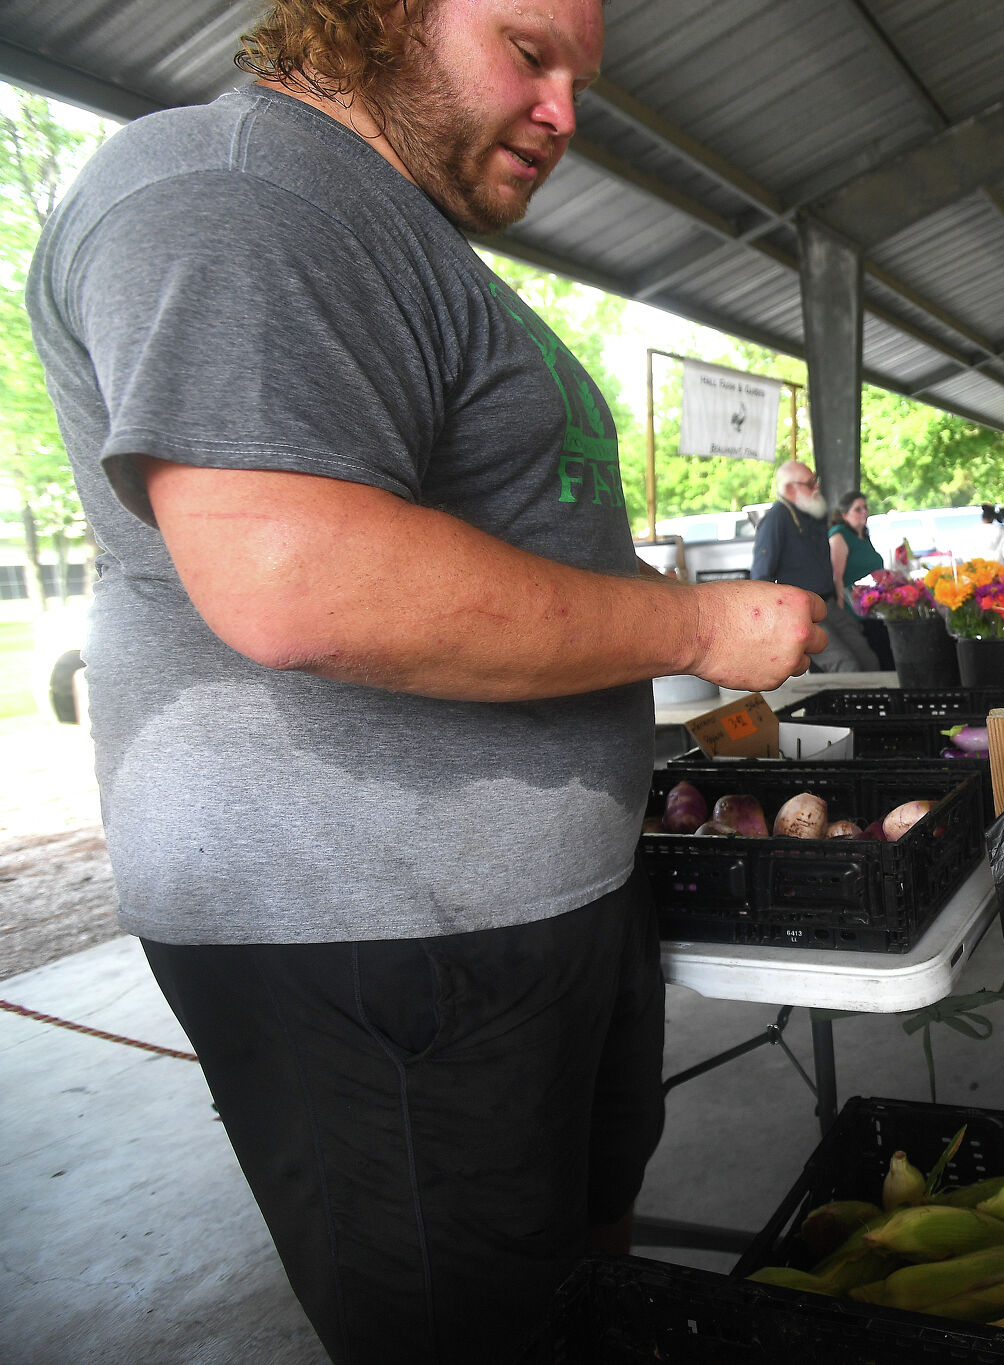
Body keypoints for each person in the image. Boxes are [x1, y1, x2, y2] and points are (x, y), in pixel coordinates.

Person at [22, 2, 827, 1361]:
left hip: (524, 911)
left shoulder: (391, 231)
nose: (567, 112)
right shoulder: (232, 192)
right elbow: (296, 576)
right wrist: (691, 625)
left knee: (572, 1283)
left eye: (580, 75)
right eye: (529, 52)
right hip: (377, 933)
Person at [753, 460, 879, 672]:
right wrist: (784, 618)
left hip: (826, 603)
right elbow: (761, 577)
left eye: (815, 481)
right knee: (846, 666)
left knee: (869, 660)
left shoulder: (812, 513)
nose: (817, 487)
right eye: (810, 483)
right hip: (801, 611)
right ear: (790, 488)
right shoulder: (776, 519)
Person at [828, 489, 892, 669]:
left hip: (875, 604)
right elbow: (837, 578)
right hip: (856, 610)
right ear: (844, 514)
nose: (864, 512)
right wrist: (842, 614)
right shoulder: (839, 535)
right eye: (858, 509)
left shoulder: (863, 535)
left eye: (865, 507)